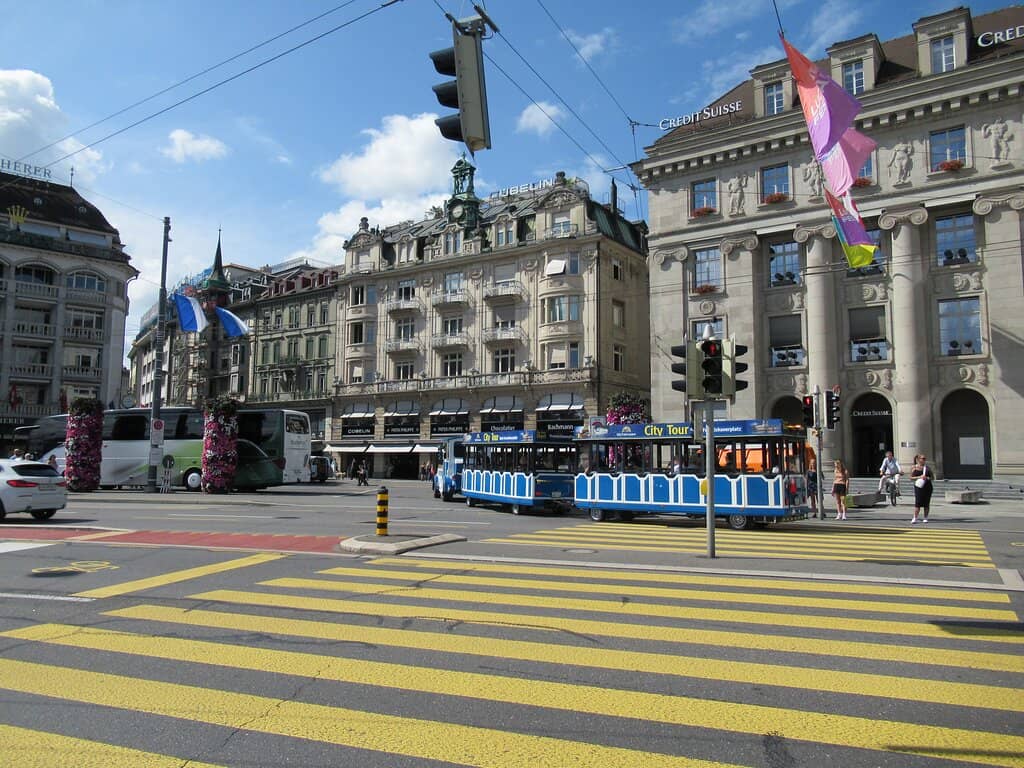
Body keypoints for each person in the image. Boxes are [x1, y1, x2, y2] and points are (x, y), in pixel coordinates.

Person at [910, 453, 934, 524]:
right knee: (918, 502)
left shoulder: (927, 468)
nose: (924, 460)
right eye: (923, 458)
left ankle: (925, 518)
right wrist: (919, 477)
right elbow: (911, 478)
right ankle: (915, 518)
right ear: (919, 459)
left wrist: (927, 478)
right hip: (918, 487)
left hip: (927, 487)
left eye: (925, 459)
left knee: (926, 503)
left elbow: (932, 478)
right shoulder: (914, 467)